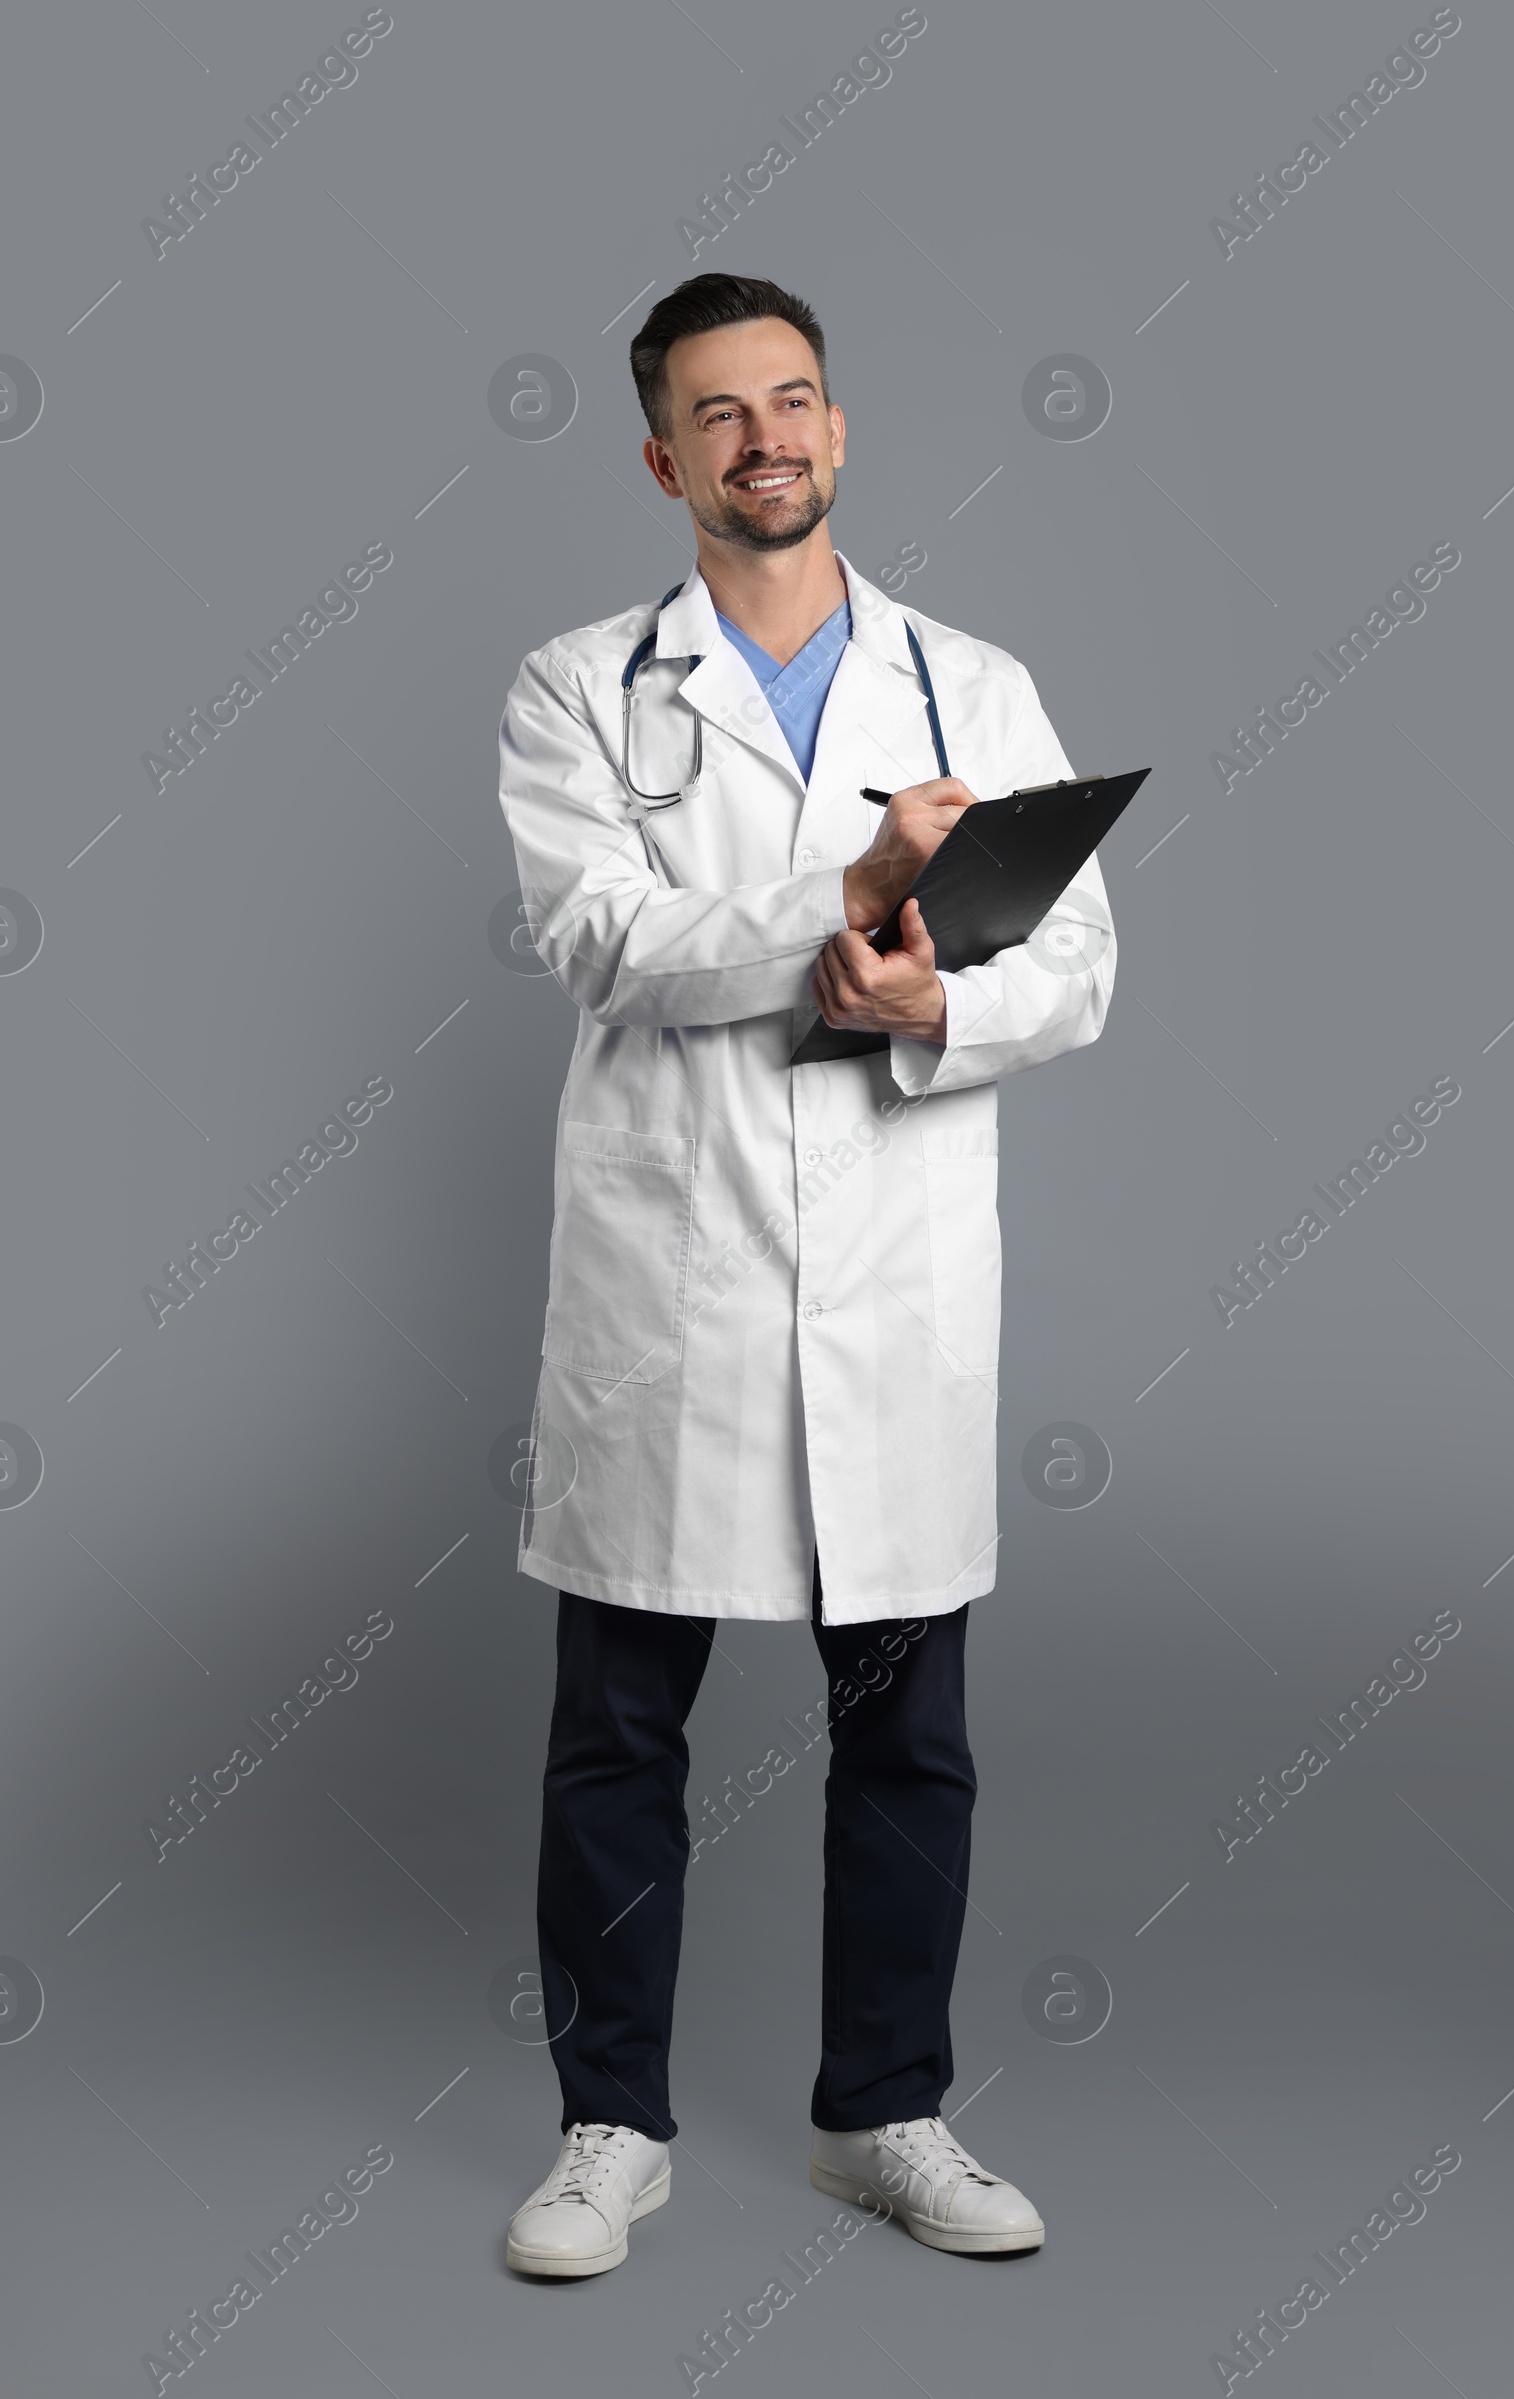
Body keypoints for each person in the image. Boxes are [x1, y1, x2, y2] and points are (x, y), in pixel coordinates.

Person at [496, 272, 1116, 2277]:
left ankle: (885, 2111)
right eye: (718, 412)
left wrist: (927, 995)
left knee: (907, 1731)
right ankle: (607, 2123)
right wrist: (830, 909)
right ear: (660, 456)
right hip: (662, 1287)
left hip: (888, 1278)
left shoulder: (970, 688)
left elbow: (1081, 965)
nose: (766, 438)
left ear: (836, 431)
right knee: (616, 1733)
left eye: (796, 401)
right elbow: (602, 938)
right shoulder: (578, 688)